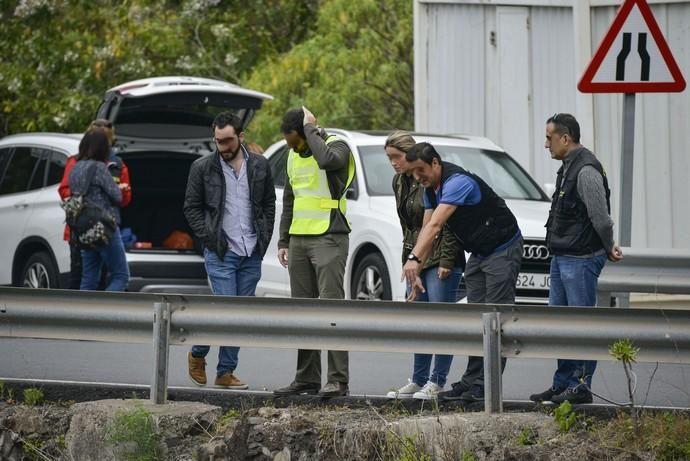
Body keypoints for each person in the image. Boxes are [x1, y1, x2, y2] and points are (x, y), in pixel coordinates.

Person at [402, 142, 523, 405]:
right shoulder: (430, 190)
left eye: (420, 170)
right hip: (479, 253)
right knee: (477, 321)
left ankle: (484, 386)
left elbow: (436, 225)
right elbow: (426, 232)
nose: (417, 177)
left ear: (435, 163)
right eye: (412, 172)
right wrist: (418, 271)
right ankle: (470, 382)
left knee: (496, 320)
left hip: (502, 247)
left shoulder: (458, 182)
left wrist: (413, 259)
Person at [529, 113, 623, 405]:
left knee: (580, 325)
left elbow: (602, 219)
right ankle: (562, 385)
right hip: (562, 257)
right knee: (562, 326)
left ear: (565, 138)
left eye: (549, 138)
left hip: (581, 259)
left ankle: (581, 387)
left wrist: (608, 246)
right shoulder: (568, 167)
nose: (546, 145)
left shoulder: (586, 171)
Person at [183, 111, 276, 389]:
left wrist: (264, 239)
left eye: (227, 141)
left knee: (240, 314)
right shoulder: (202, 167)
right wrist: (210, 238)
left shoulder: (260, 165)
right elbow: (191, 207)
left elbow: (269, 203)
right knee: (227, 310)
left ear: (241, 136)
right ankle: (198, 353)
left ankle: (225, 373)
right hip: (222, 251)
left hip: (251, 250)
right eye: (218, 141)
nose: (222, 147)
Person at [273, 107, 355, 398]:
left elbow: (326, 161)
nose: (291, 147)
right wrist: (283, 241)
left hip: (329, 236)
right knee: (302, 311)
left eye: (295, 140)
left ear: (307, 129)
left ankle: (338, 380)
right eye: (288, 142)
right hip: (298, 239)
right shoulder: (294, 155)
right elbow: (290, 199)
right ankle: (306, 378)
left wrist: (310, 129)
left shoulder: (337, 146)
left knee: (331, 310)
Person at [383, 131, 465, 401]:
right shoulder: (399, 182)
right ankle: (418, 380)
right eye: (389, 158)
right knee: (420, 321)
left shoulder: (429, 178)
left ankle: (437, 380)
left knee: (440, 321)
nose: (394, 163)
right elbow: (408, 226)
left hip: (439, 255)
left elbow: (446, 222)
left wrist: (447, 259)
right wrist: (409, 260)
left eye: (396, 157)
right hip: (415, 257)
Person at [59, 119, 132, 289]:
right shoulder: (100, 168)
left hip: (83, 227)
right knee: (120, 275)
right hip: (104, 226)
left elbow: (68, 191)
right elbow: (118, 197)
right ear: (103, 148)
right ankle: (104, 311)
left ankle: (85, 313)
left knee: (89, 276)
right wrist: (120, 188)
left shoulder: (75, 166)